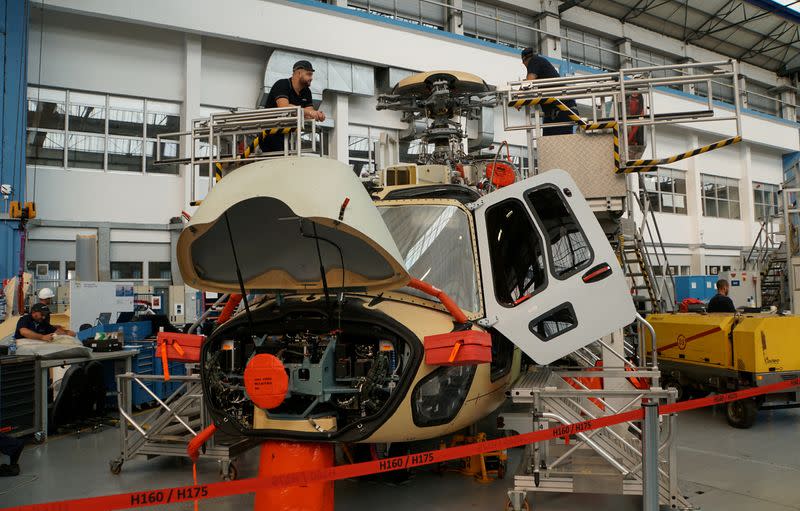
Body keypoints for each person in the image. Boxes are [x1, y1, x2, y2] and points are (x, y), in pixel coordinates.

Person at [260, 60, 326, 153]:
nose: (311, 78)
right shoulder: (282, 84)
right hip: (269, 133)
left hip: (287, 135)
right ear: (299, 73)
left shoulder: (306, 91)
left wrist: (317, 115)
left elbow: (308, 113)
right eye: (309, 74)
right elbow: (284, 107)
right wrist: (311, 112)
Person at [520, 48, 577, 136]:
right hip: (558, 112)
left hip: (560, 110)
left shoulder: (534, 61)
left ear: (524, 61)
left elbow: (528, 83)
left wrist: (517, 98)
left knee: (558, 145)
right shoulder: (541, 64)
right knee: (551, 145)